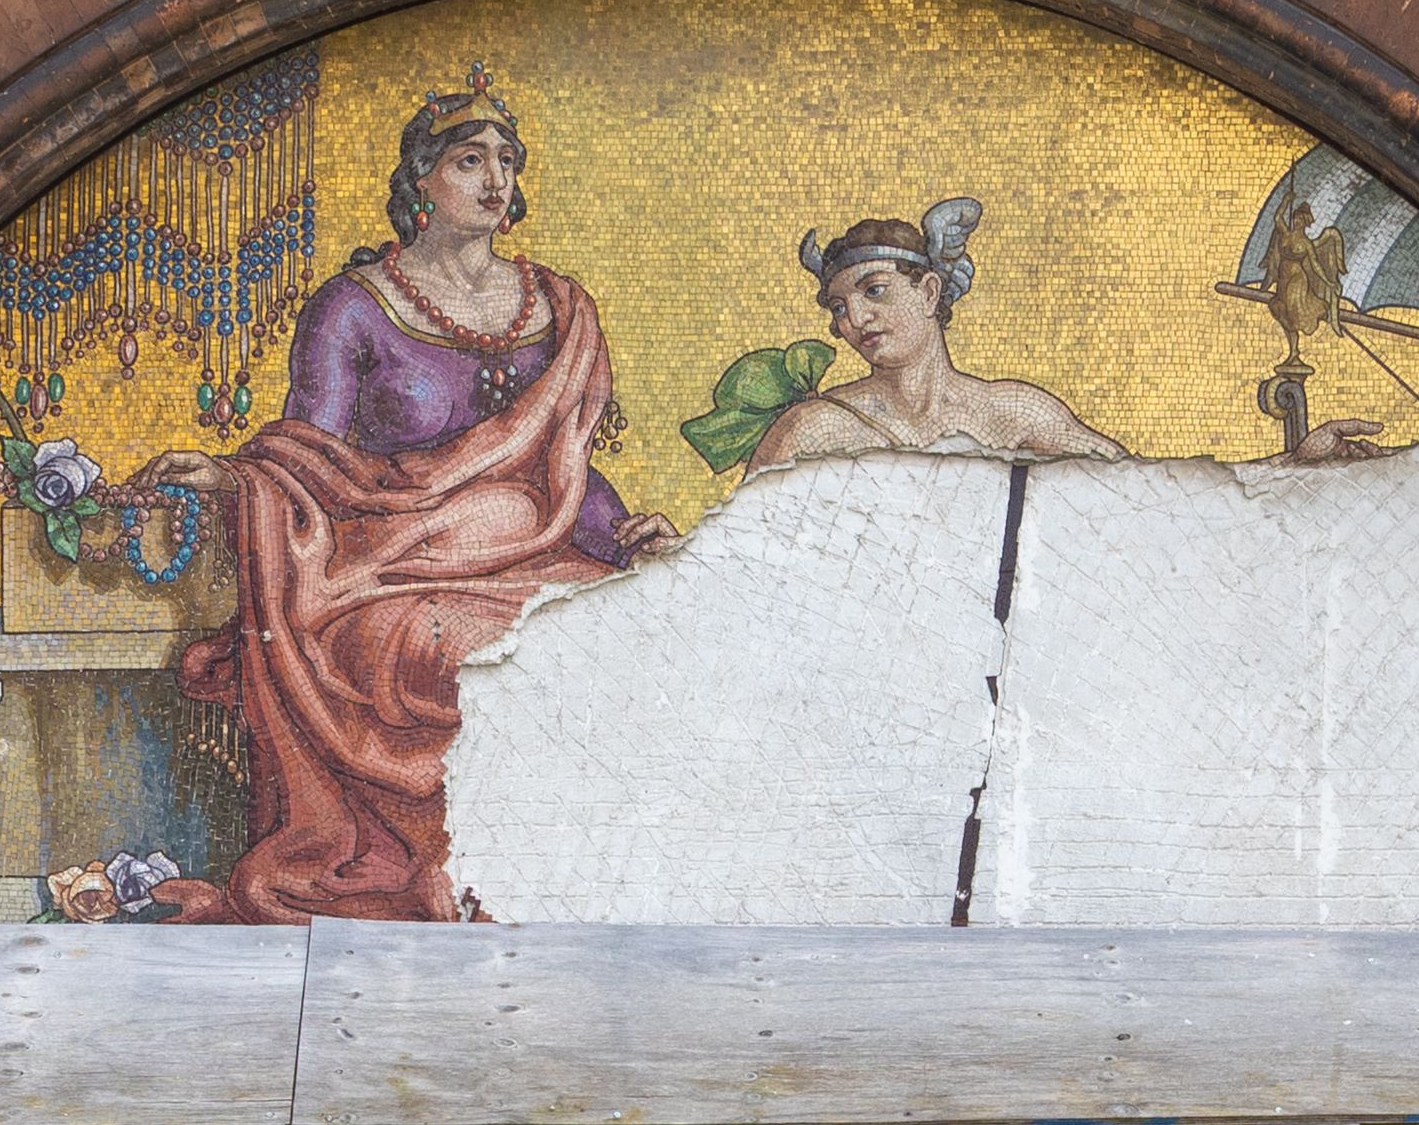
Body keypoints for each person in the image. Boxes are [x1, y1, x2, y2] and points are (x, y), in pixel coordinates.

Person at [139, 84, 672, 920]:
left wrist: (630, 540)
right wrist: (234, 480)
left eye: (506, 161)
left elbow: (563, 471)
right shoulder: (353, 306)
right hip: (386, 575)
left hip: (535, 557)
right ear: (421, 178)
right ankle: (469, 872)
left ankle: (584, 867)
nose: (493, 180)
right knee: (476, 652)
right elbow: (308, 462)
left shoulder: (559, 307)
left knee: (624, 636)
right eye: (468, 161)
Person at [739, 204, 1127, 472]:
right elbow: (742, 543)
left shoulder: (1016, 412)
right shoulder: (812, 426)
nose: (855, 318)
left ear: (928, 292)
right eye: (839, 307)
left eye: (874, 290)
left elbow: (1133, 488)